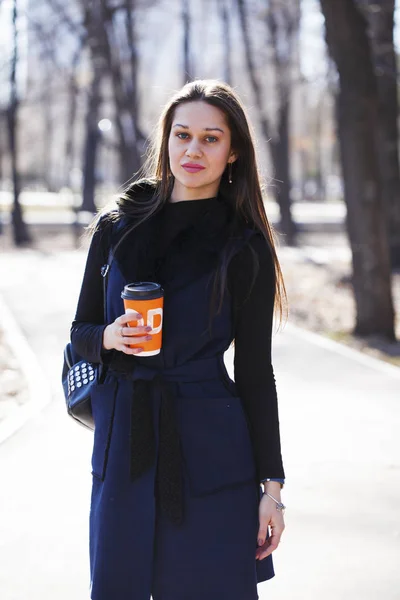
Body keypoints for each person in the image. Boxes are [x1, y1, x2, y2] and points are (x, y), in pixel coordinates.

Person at [70, 79, 287, 600]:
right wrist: (111, 336)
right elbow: (80, 334)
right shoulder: (118, 225)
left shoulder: (245, 245)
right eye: (182, 135)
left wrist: (272, 490)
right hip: (126, 442)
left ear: (233, 151)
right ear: (165, 141)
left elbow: (256, 372)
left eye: (211, 139)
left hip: (212, 446)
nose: (193, 150)